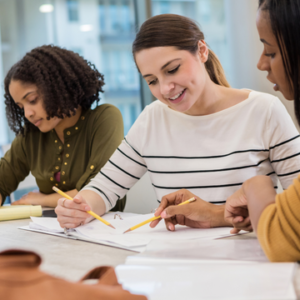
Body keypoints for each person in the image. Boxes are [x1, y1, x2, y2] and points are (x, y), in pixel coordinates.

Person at [55, 14, 300, 230]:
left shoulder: (264, 111)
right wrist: (79, 207)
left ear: (202, 51)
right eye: (151, 81)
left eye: (172, 69)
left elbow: (296, 207)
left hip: (252, 262)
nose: (165, 89)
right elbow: (105, 187)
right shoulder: (152, 118)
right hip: (174, 264)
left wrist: (218, 215)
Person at [0, 45, 126, 211]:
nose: (27, 113)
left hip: (101, 231)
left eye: (32, 100)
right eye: (20, 107)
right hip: (50, 231)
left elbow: (101, 190)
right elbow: (2, 181)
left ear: (58, 88)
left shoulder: (104, 119)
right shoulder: (31, 134)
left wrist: (42, 199)